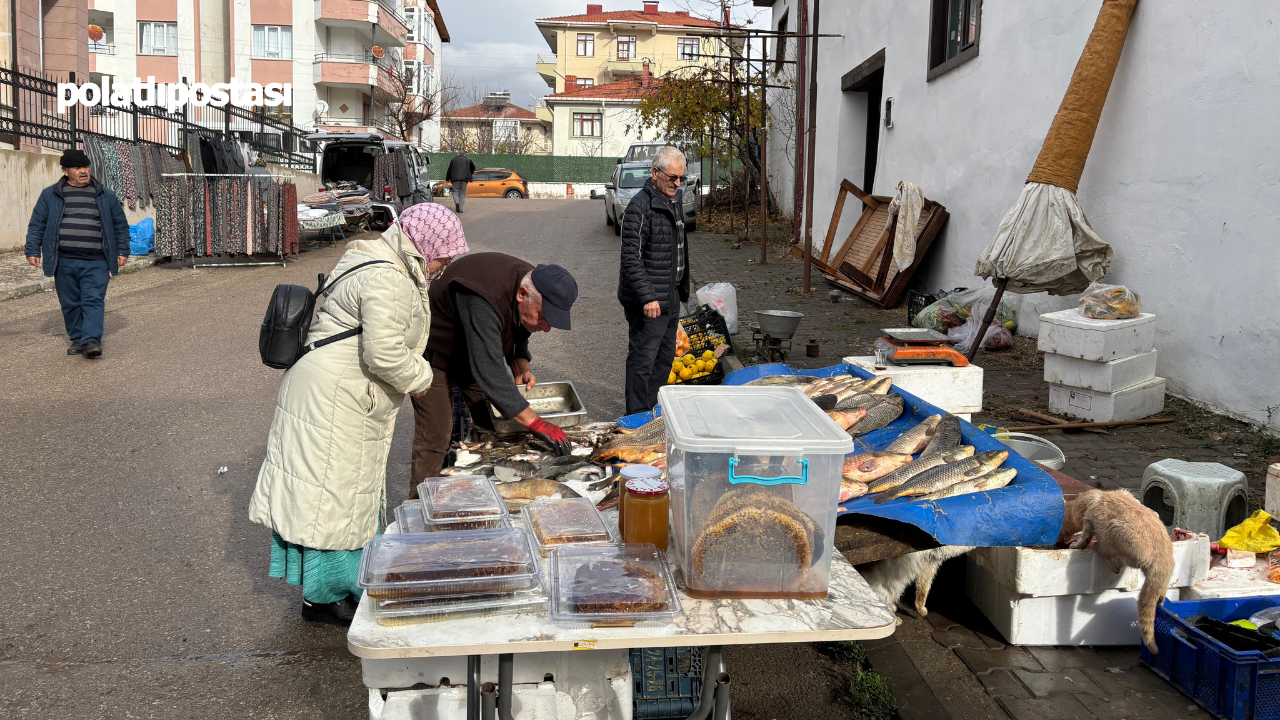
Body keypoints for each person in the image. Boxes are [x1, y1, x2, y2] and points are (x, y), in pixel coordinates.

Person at [248, 202, 469, 627]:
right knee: (337, 499)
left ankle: (323, 594)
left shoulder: (371, 256)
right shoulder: (390, 278)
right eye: (444, 254)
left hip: (328, 388)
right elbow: (384, 353)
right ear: (425, 246)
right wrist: (421, 375)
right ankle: (331, 597)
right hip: (338, 397)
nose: (444, 264)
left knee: (326, 495)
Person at [411, 253, 579, 490]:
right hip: (435, 355)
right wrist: (537, 423)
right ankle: (419, 503)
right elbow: (488, 369)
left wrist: (519, 359)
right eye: (543, 317)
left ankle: (480, 484)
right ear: (522, 294)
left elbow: (519, 324)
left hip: (473, 351)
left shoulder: (534, 282)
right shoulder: (482, 294)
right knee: (436, 435)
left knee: (492, 424)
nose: (547, 328)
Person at [25, 148, 131, 359]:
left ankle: (91, 341)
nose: (83, 171)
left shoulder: (105, 194)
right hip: (63, 260)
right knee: (70, 301)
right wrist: (32, 248)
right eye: (77, 168)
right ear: (66, 171)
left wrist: (122, 249)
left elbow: (120, 224)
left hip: (96, 260)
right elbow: (38, 223)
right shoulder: (51, 194)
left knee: (92, 299)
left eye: (85, 167)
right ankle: (77, 338)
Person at [617, 145, 691, 415]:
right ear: (655, 173)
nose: (678, 183)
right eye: (672, 177)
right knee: (642, 361)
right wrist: (648, 296)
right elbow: (630, 258)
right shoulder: (640, 207)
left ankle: (653, 411)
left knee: (664, 359)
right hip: (648, 300)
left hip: (670, 295)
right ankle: (637, 417)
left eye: (681, 177)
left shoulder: (675, 201)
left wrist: (681, 290)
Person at [445, 150, 475, 214]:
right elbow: (473, 168)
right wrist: (469, 174)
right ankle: (461, 208)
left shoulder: (453, 159)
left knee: (455, 192)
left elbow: (449, 170)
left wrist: (447, 179)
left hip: (455, 179)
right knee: (462, 193)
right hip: (464, 180)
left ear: (458, 154)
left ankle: (457, 202)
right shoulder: (468, 160)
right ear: (464, 154)